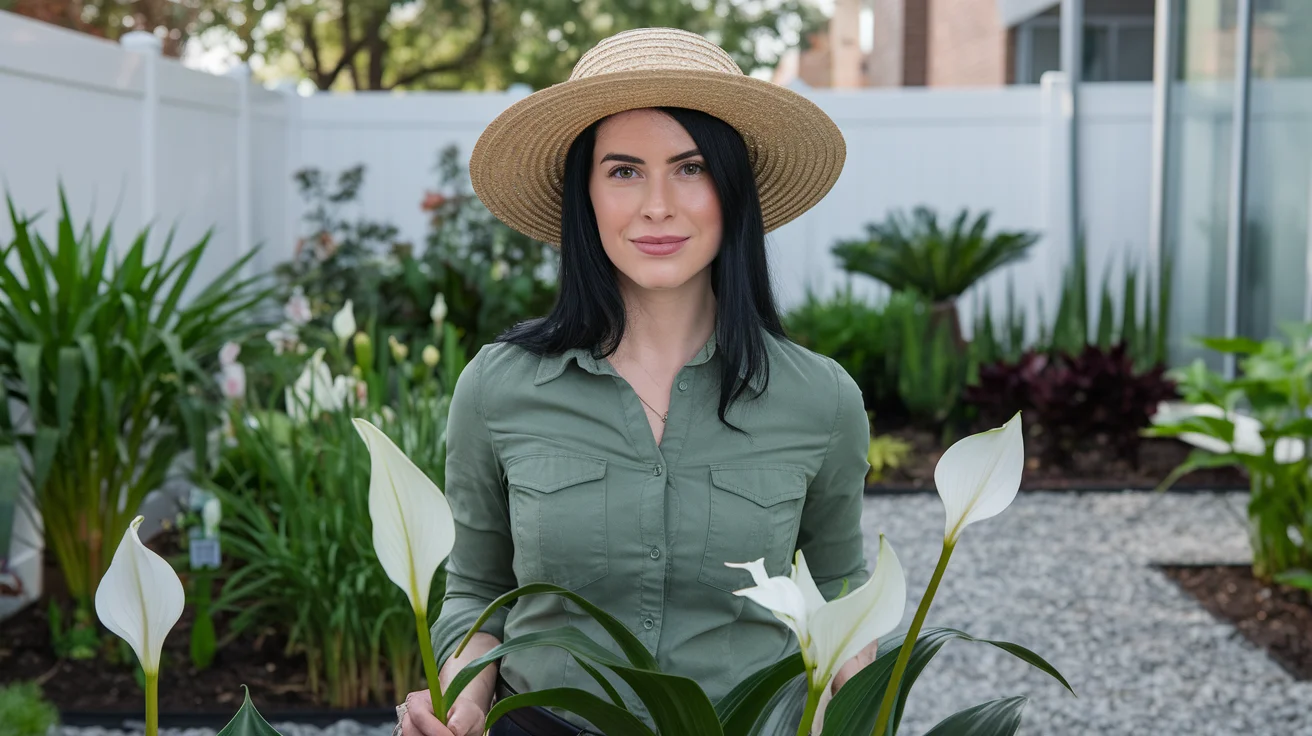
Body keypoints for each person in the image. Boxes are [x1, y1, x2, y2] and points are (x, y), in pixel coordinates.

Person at [396, 27, 875, 736]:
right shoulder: (497, 389)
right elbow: (479, 591)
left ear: (732, 190)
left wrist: (863, 718)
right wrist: (461, 701)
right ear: (584, 196)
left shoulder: (821, 399)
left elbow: (841, 594)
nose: (657, 205)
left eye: (690, 168)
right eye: (623, 171)